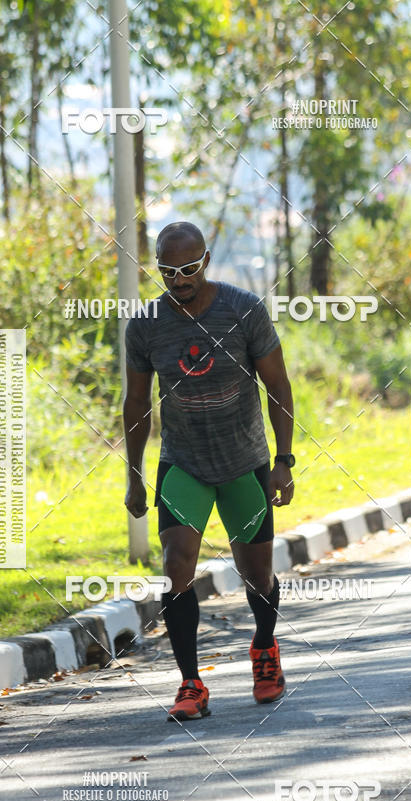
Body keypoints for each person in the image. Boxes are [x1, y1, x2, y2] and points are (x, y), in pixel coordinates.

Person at [123, 221, 295, 722]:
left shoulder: (243, 310)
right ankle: (191, 684)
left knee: (257, 574)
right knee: (177, 565)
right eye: (167, 270)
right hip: (184, 463)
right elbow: (136, 403)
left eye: (188, 268)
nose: (178, 280)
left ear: (207, 260)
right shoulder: (147, 325)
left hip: (244, 462)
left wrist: (283, 461)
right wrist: (134, 474)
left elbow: (278, 387)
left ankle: (264, 650)